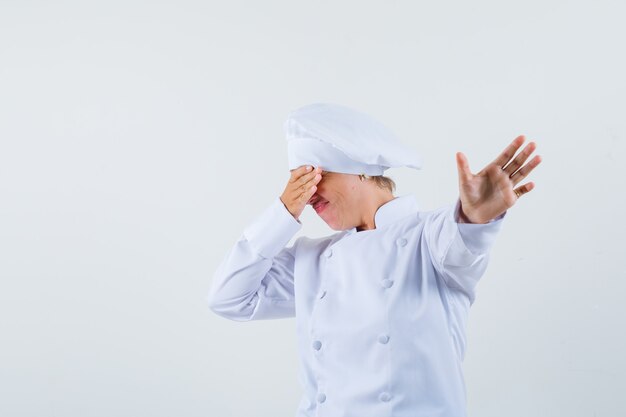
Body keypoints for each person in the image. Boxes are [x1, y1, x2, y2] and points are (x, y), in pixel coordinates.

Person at [207, 102, 541, 417]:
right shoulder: (313, 260)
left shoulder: (430, 237)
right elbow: (228, 298)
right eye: (296, 184)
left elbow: (462, 247)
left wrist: (475, 217)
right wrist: (281, 214)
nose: (306, 196)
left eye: (312, 177)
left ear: (361, 170)